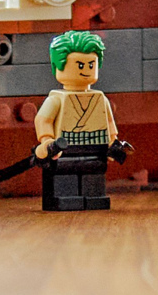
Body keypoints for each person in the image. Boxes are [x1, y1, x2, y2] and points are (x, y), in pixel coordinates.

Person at [34, 29, 118, 211]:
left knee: (94, 172)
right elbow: (42, 119)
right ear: (58, 66)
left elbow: (109, 123)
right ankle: (64, 198)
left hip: (96, 147)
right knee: (65, 174)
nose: (86, 71)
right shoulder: (56, 99)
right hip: (64, 148)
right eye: (80, 65)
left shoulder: (100, 98)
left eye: (91, 65)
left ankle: (94, 198)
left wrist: (113, 142)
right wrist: (46, 140)